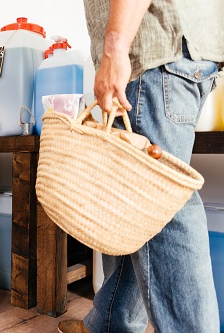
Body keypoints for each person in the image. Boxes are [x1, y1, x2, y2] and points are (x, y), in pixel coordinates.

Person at [58, 1, 224, 332]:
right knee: (134, 206)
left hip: (152, 55)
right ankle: (108, 323)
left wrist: (115, 49)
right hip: (184, 52)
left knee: (163, 209)